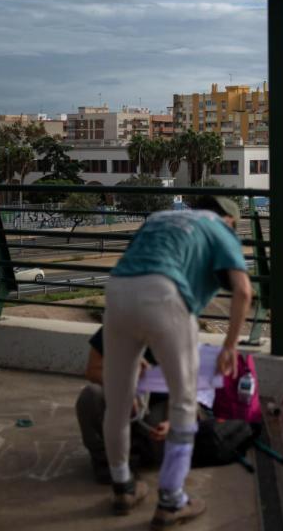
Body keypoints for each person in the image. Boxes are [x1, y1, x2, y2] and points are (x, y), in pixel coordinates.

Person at [102, 195, 252, 528]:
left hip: (117, 290)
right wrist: (229, 345)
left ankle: (123, 485)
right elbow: (242, 290)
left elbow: (142, 264)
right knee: (184, 401)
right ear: (230, 220)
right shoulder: (221, 229)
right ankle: (171, 500)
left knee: (118, 401)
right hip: (165, 295)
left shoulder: (159, 217)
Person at [76, 328, 168, 483]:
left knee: (163, 438)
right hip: (118, 398)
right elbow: (92, 370)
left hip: (159, 404)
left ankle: (137, 455)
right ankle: (105, 462)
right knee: (90, 395)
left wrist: (171, 423)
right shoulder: (117, 324)